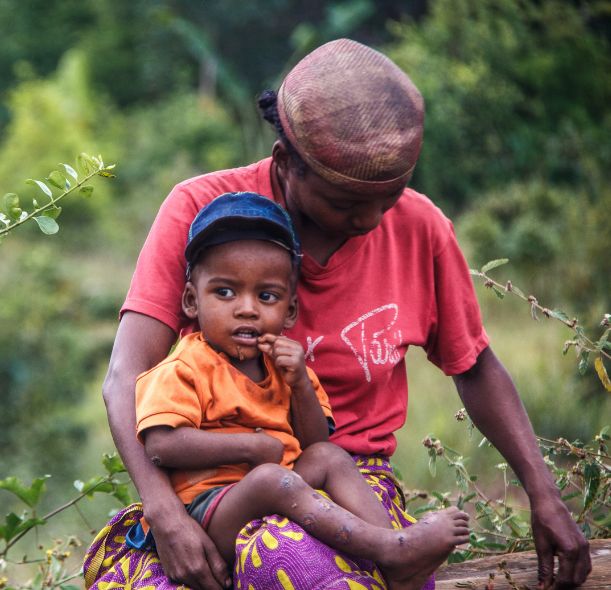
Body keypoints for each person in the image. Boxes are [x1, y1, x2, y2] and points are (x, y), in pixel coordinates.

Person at [86, 38, 591, 590]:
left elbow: (474, 365)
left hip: (344, 483)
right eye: (346, 203)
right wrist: (162, 513)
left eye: (389, 197)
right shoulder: (203, 214)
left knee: (293, 565)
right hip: (200, 489)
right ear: (285, 164)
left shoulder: (421, 229)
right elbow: (125, 379)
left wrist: (545, 495)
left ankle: (391, 554)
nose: (371, 220)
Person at [130, 192, 470, 590]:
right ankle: (388, 547)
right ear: (191, 300)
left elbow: (314, 441)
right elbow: (161, 444)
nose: (246, 309)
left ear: (289, 311)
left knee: (329, 456)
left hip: (285, 483)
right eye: (224, 292)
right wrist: (249, 447)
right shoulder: (185, 365)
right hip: (211, 510)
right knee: (272, 480)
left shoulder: (286, 367)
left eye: (266, 296)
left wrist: (301, 386)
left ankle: (398, 556)